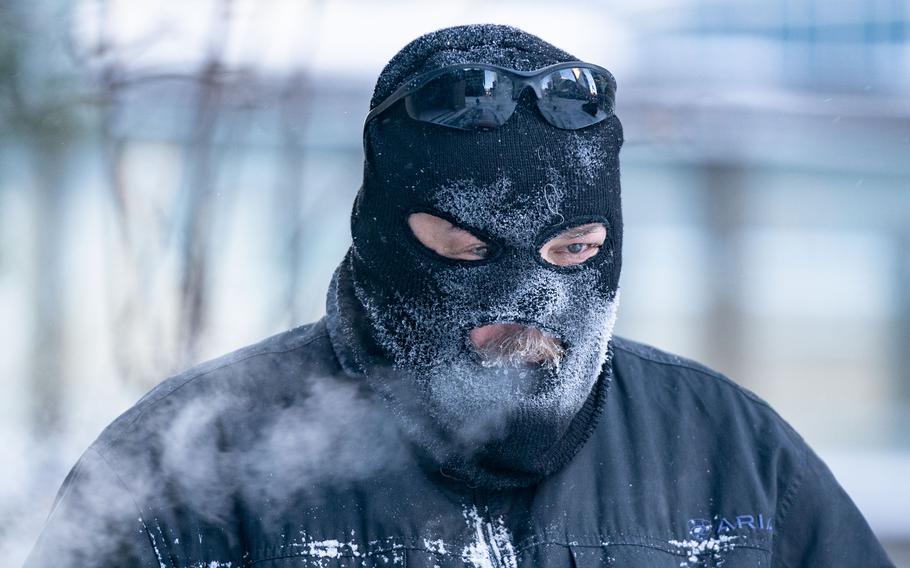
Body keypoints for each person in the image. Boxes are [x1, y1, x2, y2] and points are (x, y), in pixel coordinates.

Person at [25, 24, 894, 568]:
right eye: (470, 252)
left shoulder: (730, 457)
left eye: (573, 251)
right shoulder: (189, 468)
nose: (529, 298)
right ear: (381, 233)